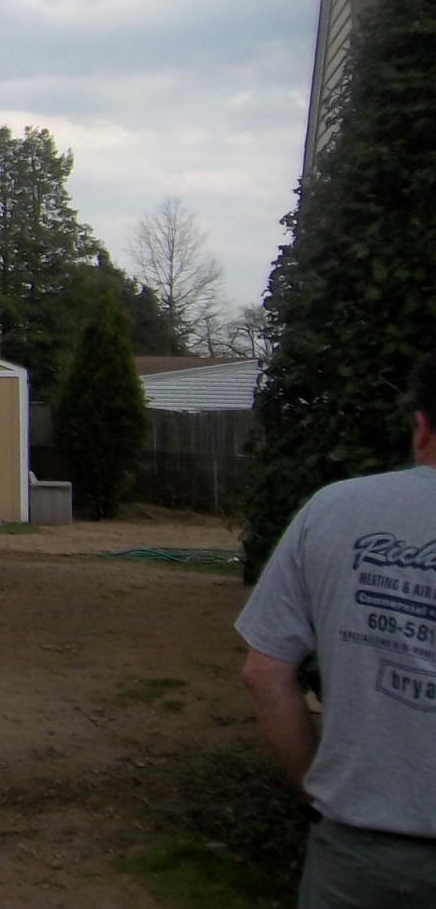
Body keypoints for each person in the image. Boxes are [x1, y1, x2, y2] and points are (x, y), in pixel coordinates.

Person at [238, 349, 436, 907]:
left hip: (358, 855)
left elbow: (265, 673)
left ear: (420, 426)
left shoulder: (334, 512)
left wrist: (317, 791)